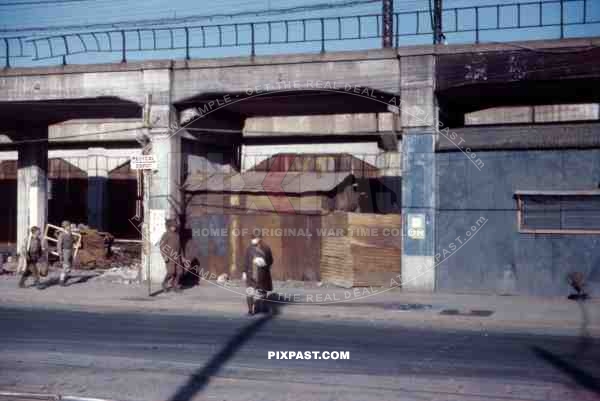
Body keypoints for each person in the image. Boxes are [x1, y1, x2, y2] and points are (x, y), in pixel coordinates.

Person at [243, 235, 273, 315]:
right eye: (252, 238)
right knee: (249, 292)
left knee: (262, 291)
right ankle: (250, 310)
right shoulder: (249, 249)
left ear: (259, 238)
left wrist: (263, 262)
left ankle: (263, 308)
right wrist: (244, 272)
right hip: (251, 274)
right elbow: (246, 261)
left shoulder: (266, 248)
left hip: (262, 274)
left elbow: (270, 261)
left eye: (254, 238)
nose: (252, 240)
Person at [159, 218, 182, 293]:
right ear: (169, 226)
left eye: (175, 226)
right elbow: (162, 246)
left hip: (177, 256)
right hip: (169, 256)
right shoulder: (166, 235)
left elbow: (180, 247)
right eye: (172, 226)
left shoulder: (177, 235)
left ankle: (175, 285)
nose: (174, 228)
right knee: (171, 272)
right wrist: (164, 256)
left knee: (179, 272)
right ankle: (164, 283)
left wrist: (183, 257)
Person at [56, 220, 75, 286]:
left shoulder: (70, 233)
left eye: (69, 225)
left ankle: (64, 276)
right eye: (68, 226)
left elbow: (73, 241)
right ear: (65, 227)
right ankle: (61, 280)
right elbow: (59, 245)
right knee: (65, 266)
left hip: (70, 251)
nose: (69, 227)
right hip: (65, 251)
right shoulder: (62, 234)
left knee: (69, 266)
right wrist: (60, 253)